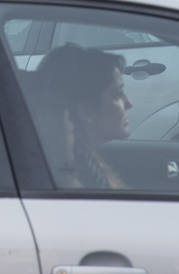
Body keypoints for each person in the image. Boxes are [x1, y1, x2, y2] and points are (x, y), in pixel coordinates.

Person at [30, 44, 131, 189]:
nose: (129, 103)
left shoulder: (83, 158)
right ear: (87, 109)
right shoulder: (75, 171)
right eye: (117, 94)